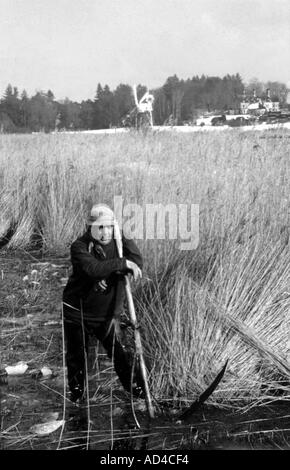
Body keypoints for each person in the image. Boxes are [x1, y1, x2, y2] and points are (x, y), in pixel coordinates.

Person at [62, 204, 144, 402]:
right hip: (77, 312)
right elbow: (92, 269)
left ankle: (138, 394)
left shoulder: (119, 242)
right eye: (100, 227)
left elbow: (137, 262)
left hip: (107, 313)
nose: (105, 232)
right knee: (77, 360)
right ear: (90, 228)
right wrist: (121, 264)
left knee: (120, 355)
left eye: (109, 226)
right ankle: (77, 400)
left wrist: (116, 267)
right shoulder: (80, 246)